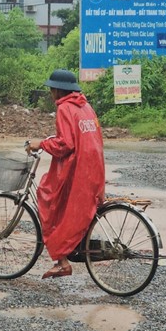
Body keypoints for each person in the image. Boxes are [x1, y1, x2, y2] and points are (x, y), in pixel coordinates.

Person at [25, 69, 106, 279]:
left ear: (58, 91)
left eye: (52, 89)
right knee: (74, 210)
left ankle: (62, 261)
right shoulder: (85, 106)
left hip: (77, 170)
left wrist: (40, 144)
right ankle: (72, 247)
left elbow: (66, 144)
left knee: (48, 199)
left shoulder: (64, 109)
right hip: (93, 168)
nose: (51, 93)